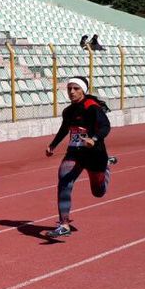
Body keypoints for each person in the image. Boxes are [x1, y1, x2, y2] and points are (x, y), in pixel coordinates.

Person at [44, 77, 115, 238]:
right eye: (69, 89)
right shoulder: (68, 111)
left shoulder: (92, 108)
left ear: (83, 90)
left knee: (98, 193)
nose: (72, 92)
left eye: (76, 88)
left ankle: (107, 166)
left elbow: (105, 126)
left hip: (94, 154)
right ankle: (64, 224)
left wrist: (94, 139)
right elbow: (64, 129)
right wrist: (53, 145)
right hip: (74, 153)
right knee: (64, 181)